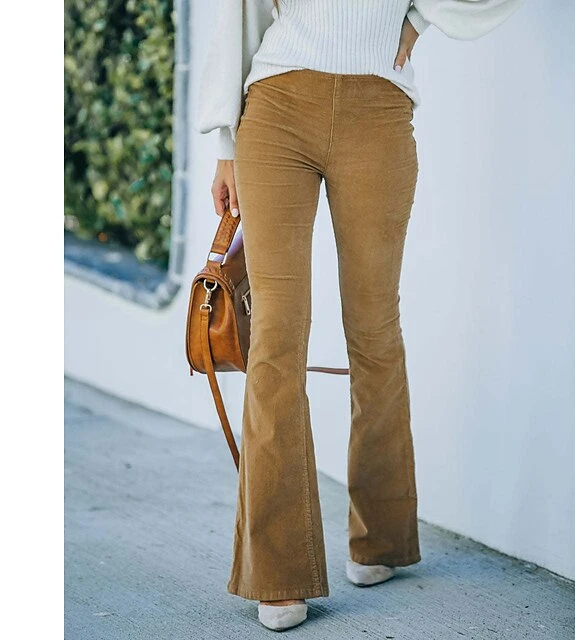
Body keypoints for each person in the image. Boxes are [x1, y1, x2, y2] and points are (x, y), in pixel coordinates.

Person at [196, 0, 525, 631]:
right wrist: (225, 143)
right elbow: (241, 14)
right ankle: (278, 573)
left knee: (374, 330)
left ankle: (381, 537)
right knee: (276, 339)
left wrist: (418, 20)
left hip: (378, 109)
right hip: (276, 107)